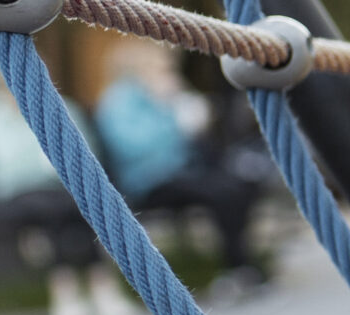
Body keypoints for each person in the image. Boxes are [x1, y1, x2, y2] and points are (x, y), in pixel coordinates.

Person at [94, 39, 270, 295]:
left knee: (239, 186)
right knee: (221, 193)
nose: (167, 74)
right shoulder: (118, 102)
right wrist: (173, 119)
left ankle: (241, 266)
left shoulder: (161, 96)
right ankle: (237, 267)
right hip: (149, 180)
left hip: (184, 173)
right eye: (159, 68)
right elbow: (133, 147)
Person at [0, 86, 138, 315]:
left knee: (72, 206)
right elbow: (5, 161)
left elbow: (85, 146)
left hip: (57, 186)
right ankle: (95, 284)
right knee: (53, 208)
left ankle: (68, 291)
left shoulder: (63, 105)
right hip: (15, 190)